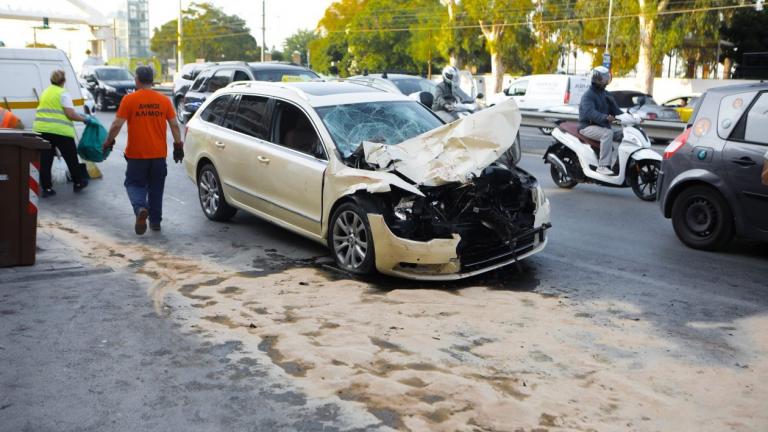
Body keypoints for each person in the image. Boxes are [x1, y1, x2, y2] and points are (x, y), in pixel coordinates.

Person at [102, 66, 183, 235]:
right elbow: (175, 124)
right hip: (159, 155)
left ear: (137, 80)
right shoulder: (164, 100)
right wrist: (178, 145)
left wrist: (109, 141)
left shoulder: (129, 100)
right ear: (152, 80)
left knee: (133, 184)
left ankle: (140, 208)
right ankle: (155, 222)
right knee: (156, 188)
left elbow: (117, 124)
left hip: (137, 156)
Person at [33, 70, 92, 196]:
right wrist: (84, 119)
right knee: (71, 158)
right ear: (63, 81)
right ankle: (78, 183)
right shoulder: (63, 93)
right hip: (60, 132)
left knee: (45, 160)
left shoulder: (45, 92)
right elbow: (70, 114)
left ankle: (47, 189)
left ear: (51, 80)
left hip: (42, 130)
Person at [579, 66, 623, 175]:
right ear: (595, 79)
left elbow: (617, 111)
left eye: (606, 77)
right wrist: (605, 117)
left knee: (625, 134)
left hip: (602, 126)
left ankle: (619, 166)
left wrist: (631, 117)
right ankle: (603, 166)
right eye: (603, 78)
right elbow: (590, 113)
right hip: (587, 127)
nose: (606, 80)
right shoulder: (588, 96)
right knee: (607, 134)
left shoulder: (606, 94)